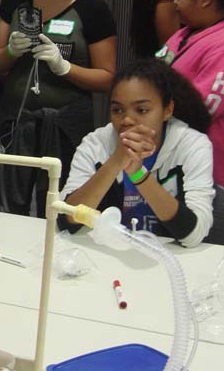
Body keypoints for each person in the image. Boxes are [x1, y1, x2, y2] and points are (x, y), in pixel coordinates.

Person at [0, 0, 117, 216]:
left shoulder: (93, 8)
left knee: (61, 208)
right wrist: (11, 51)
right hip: (16, 121)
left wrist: (65, 68)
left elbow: (108, 78)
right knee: (10, 209)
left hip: (67, 128)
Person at [59, 59, 213, 248]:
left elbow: (193, 235)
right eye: (117, 110)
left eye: (141, 110)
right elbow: (66, 219)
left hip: (170, 256)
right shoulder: (96, 144)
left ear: (167, 110)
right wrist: (115, 163)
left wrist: (138, 174)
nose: (127, 120)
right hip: (108, 253)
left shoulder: (192, 145)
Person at [156, 0, 224, 243]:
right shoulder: (184, 34)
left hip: (208, 168)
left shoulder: (220, 44)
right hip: (169, 161)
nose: (175, 3)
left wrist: (154, 104)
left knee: (200, 248)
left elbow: (202, 110)